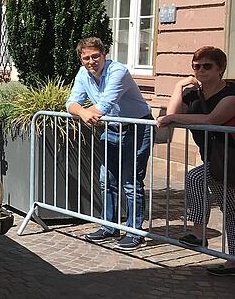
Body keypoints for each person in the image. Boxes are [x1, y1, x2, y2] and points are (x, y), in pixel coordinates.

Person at [66, 37, 152, 250]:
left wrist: (87, 113)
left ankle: (134, 231)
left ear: (104, 55)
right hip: (112, 127)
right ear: (81, 59)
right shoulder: (82, 73)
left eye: (95, 56)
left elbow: (105, 103)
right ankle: (109, 226)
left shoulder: (118, 71)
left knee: (131, 182)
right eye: (86, 57)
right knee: (107, 179)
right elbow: (71, 102)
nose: (91, 61)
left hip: (137, 127)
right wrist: (83, 112)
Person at [157, 46, 235, 276]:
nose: (201, 71)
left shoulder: (230, 95)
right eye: (196, 66)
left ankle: (199, 233)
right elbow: (167, 118)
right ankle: (232, 261)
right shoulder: (192, 94)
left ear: (220, 68)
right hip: (216, 160)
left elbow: (212, 119)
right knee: (230, 211)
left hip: (230, 160)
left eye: (207, 66)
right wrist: (179, 85)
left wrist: (173, 117)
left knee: (195, 177)